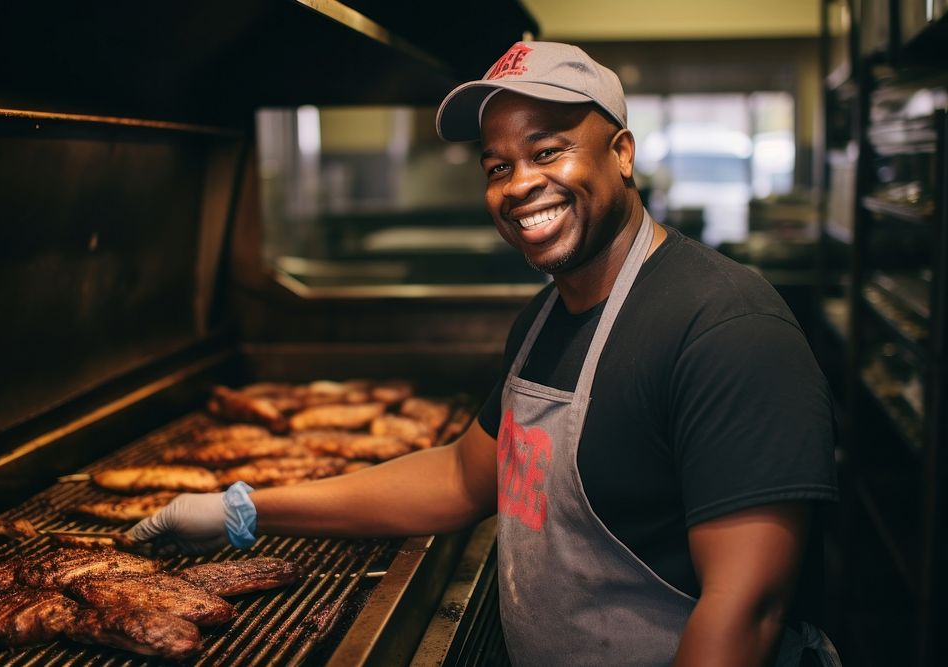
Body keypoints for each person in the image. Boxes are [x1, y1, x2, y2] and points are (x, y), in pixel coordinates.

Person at [131, 41, 841, 666]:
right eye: (497, 165)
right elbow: (462, 478)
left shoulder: (727, 329)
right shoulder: (545, 319)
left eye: (547, 150)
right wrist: (242, 509)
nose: (519, 184)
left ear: (622, 153)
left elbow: (745, 614)